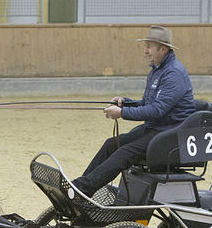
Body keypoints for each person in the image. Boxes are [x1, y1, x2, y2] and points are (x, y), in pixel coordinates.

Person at [72, 25, 196, 198]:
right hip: (156, 129)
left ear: (163, 48)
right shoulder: (157, 71)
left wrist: (121, 114)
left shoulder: (173, 73)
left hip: (170, 133)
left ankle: (81, 189)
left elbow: (157, 110)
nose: (145, 51)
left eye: (149, 47)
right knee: (111, 144)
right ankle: (80, 189)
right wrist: (125, 104)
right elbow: (147, 103)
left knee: (125, 152)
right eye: (145, 46)